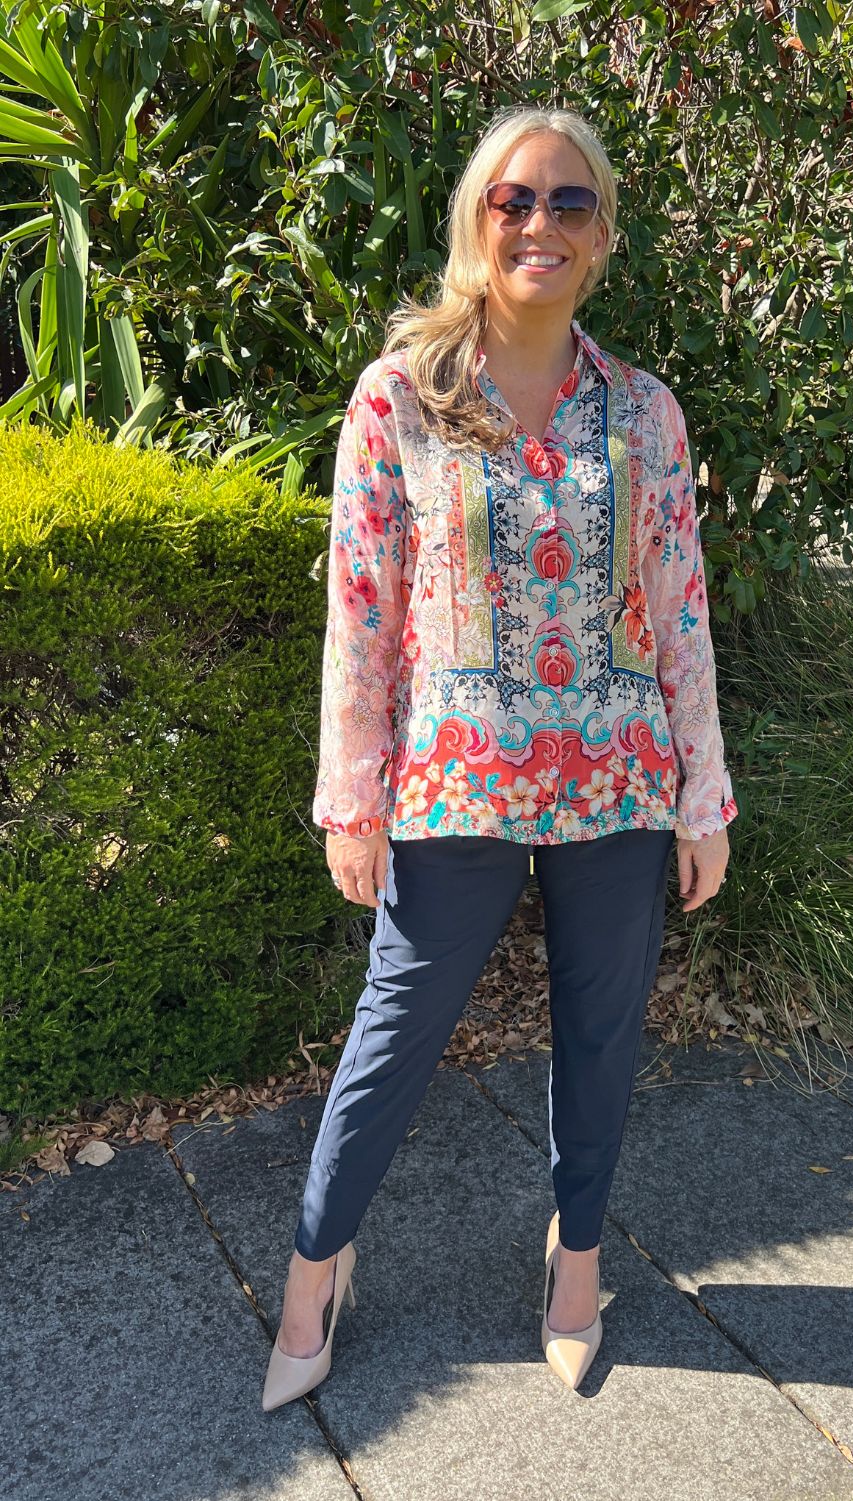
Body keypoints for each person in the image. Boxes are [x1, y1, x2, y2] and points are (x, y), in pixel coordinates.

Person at [262, 104, 738, 1408]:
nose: (541, 223)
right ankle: (315, 1266)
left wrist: (704, 796)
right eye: (514, 199)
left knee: (601, 1027)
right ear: (478, 220)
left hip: (618, 776)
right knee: (396, 1028)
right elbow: (361, 613)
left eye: (569, 202)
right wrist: (351, 800)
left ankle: (577, 1262)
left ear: (602, 234)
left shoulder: (644, 413)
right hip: (455, 778)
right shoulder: (400, 399)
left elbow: (680, 608)